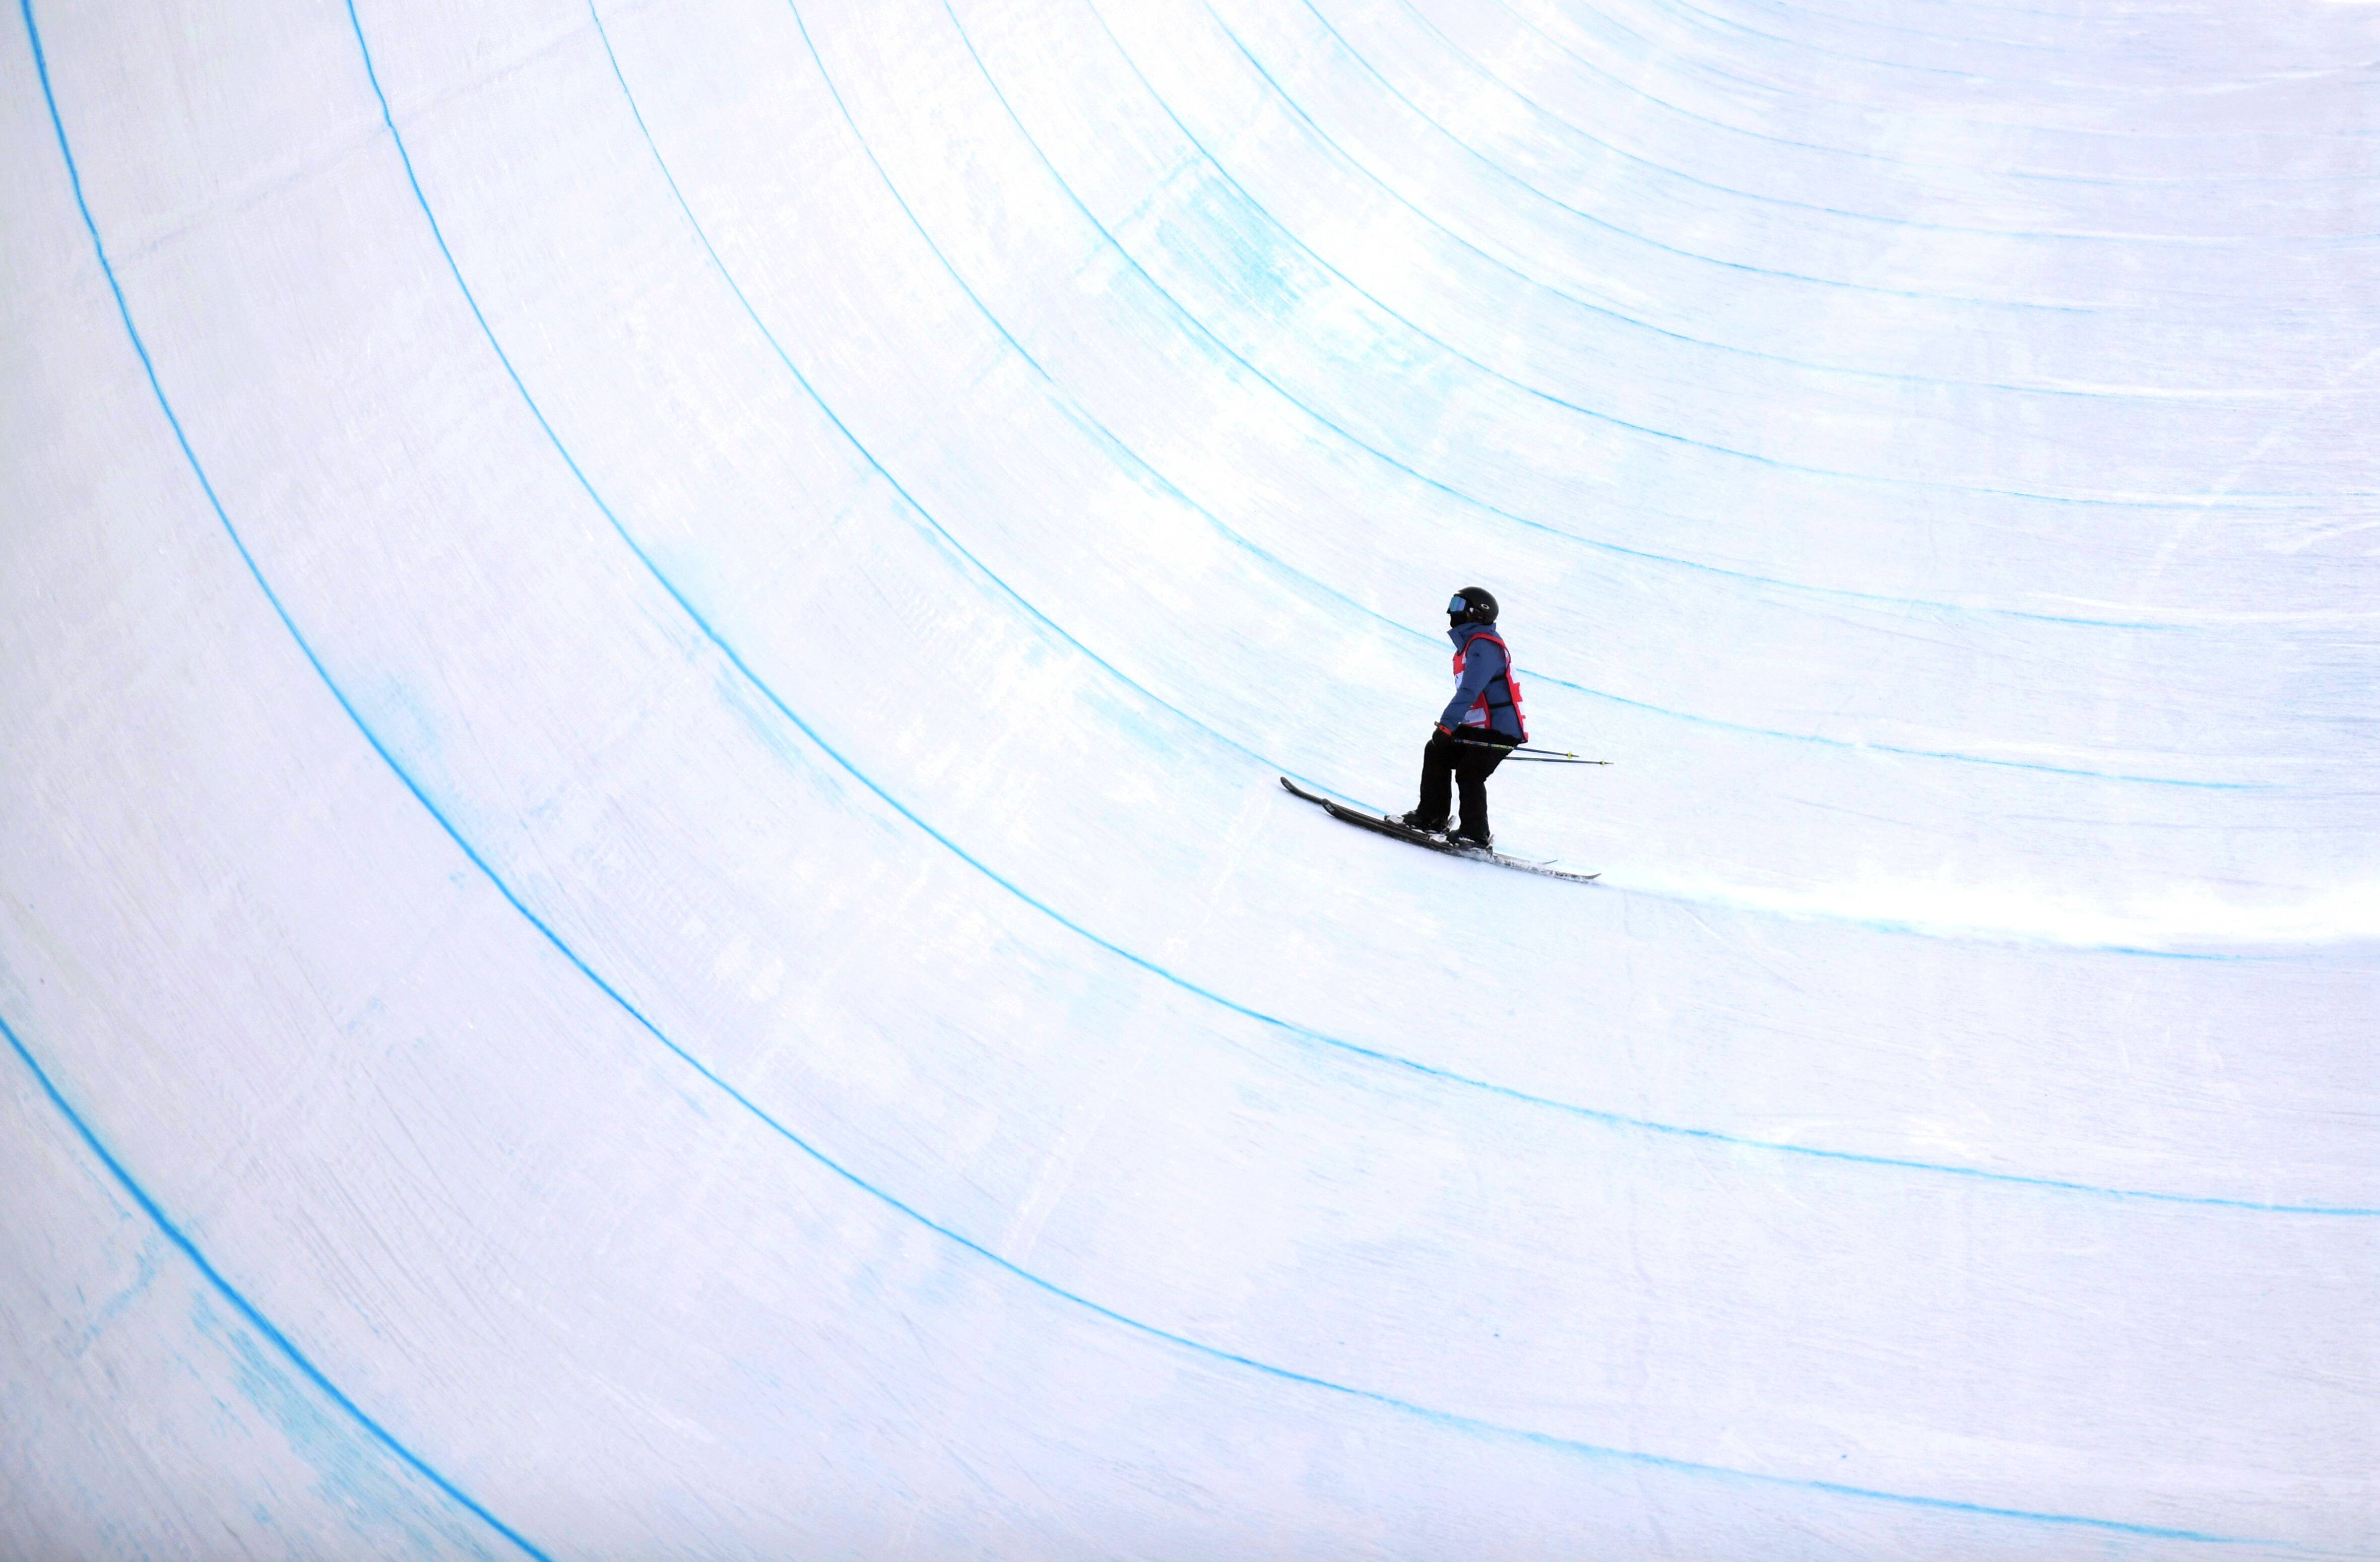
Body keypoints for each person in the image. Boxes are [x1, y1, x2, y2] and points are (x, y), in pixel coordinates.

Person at [1401, 587, 1527, 848]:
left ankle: (1475, 834)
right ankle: (1432, 816)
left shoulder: (1484, 646)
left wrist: (1447, 725)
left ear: (1476, 614)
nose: (1451, 611)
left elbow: (1471, 690)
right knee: (1437, 750)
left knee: (1470, 773)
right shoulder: (1470, 646)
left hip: (1500, 730)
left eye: (1458, 605)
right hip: (1480, 728)